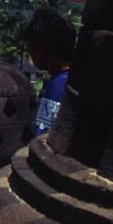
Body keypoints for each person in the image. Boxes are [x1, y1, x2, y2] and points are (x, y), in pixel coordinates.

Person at [23, 8, 75, 136]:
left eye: (30, 46)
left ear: (41, 47)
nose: (29, 53)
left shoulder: (57, 87)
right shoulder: (70, 79)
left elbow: (42, 134)